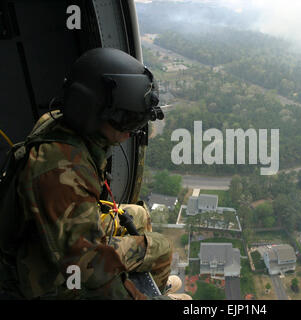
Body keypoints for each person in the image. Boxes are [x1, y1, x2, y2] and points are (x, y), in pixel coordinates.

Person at [0, 48, 191, 300]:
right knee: (161, 248)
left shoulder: (60, 124)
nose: (129, 133)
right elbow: (88, 268)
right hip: (36, 275)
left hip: (44, 237)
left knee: (137, 214)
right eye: (125, 121)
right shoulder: (62, 170)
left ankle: (150, 282)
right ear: (90, 111)